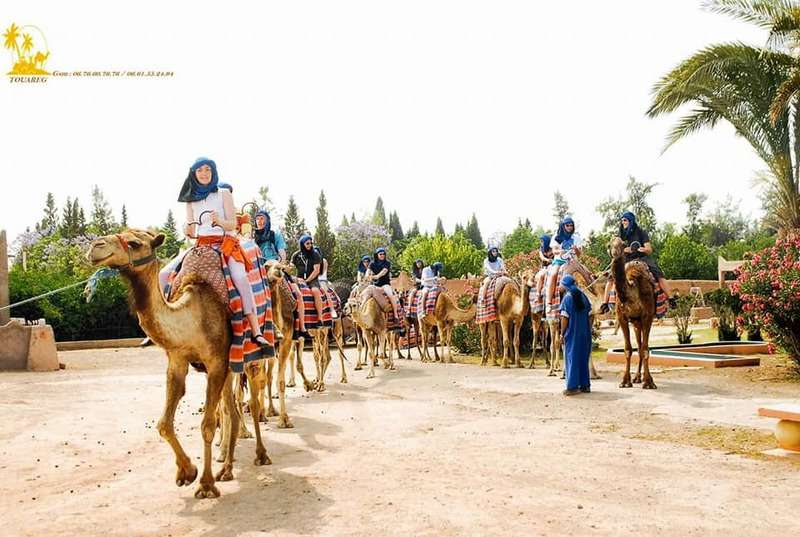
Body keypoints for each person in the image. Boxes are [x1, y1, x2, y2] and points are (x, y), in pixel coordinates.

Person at [159, 157, 269, 346]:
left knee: (241, 277)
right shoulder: (190, 200)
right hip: (199, 246)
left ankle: (256, 330)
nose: (204, 174)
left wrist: (220, 221)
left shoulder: (223, 193)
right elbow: (193, 232)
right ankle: (162, 322)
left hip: (223, 244)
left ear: (213, 172)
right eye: (200, 170)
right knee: (163, 274)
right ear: (194, 173)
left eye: (207, 170)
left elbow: (232, 224)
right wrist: (186, 228)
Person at [600, 211, 671, 312]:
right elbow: (614, 250)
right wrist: (624, 250)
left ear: (630, 220)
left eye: (625, 220)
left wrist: (643, 249)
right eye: (622, 220)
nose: (623, 222)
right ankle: (605, 303)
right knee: (612, 277)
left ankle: (671, 298)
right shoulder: (620, 234)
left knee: (658, 273)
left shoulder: (641, 232)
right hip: (625, 259)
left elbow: (649, 249)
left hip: (641, 258)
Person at [546, 216, 593, 307]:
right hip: (559, 261)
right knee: (554, 274)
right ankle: (549, 300)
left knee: (587, 272)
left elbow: (579, 254)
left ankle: (593, 290)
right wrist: (560, 251)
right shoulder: (557, 237)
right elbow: (554, 251)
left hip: (573, 261)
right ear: (563, 226)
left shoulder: (576, 238)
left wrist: (576, 249)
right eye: (567, 225)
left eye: (571, 225)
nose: (569, 227)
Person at [560, 274, 592, 396]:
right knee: (583, 358)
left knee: (571, 358)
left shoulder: (567, 298)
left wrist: (562, 333)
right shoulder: (583, 296)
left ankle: (572, 387)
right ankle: (585, 385)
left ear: (565, 285)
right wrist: (587, 328)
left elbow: (564, 318)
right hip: (584, 332)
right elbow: (590, 314)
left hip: (572, 333)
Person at [290, 235, 326, 323]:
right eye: (307, 243)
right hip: (298, 279)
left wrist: (306, 281)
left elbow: (316, 270)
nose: (310, 245)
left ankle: (320, 318)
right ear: (302, 244)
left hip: (312, 280)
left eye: (311, 243)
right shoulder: (296, 255)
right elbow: (291, 267)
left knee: (315, 291)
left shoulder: (315, 254)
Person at [368, 247, 402, 319]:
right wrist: (368, 276)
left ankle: (395, 314)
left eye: (383, 254)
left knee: (390, 295)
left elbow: (384, 271)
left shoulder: (387, 263)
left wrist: (377, 276)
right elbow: (368, 271)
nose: (382, 255)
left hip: (385, 285)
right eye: (380, 254)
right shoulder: (372, 264)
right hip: (375, 286)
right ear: (377, 255)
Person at [314, 246, 338, 319]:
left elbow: (321, 273)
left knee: (325, 291)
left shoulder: (323, 261)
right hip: (312, 280)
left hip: (322, 280)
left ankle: (332, 309)